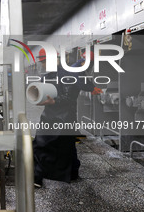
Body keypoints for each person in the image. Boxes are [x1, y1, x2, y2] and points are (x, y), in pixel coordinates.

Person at [32, 49, 101, 187]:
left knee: (55, 145)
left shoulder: (68, 74)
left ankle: (38, 177)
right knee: (49, 145)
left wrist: (54, 102)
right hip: (49, 116)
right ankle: (71, 172)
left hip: (64, 117)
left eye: (45, 61)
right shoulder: (47, 76)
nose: (43, 64)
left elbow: (70, 98)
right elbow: (39, 92)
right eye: (42, 62)